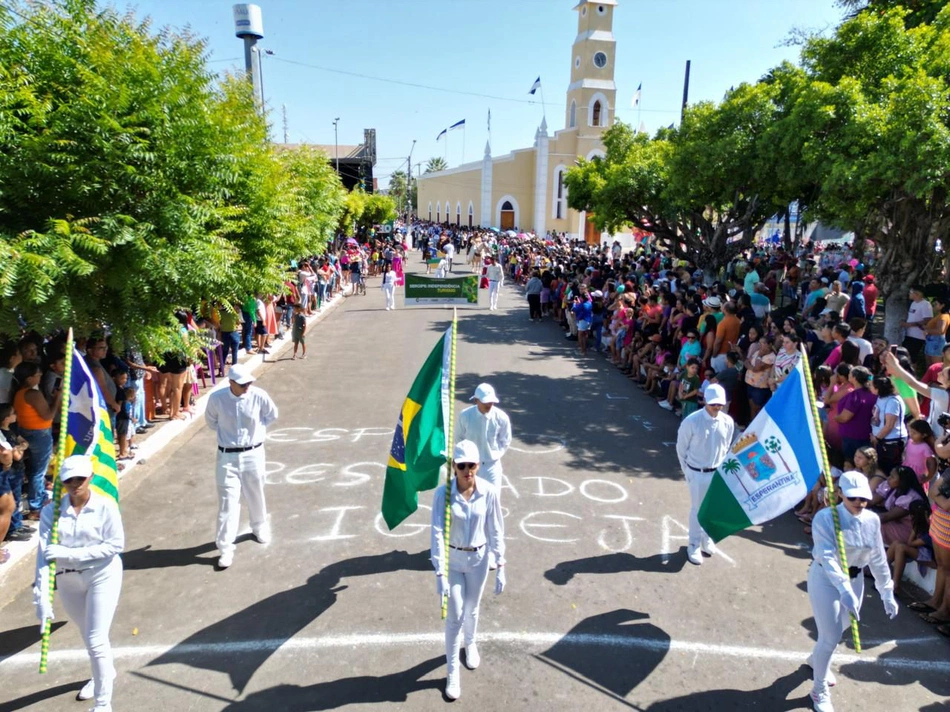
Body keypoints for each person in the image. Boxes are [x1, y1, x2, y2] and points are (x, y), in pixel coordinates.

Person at [34, 455, 125, 711]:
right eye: (68, 480)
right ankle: (102, 675)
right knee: (89, 637)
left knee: (96, 639)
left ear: (90, 478)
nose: (75, 484)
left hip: (102, 575)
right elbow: (43, 555)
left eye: (80, 478)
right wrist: (40, 596)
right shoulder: (50, 512)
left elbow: (116, 545)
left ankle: (103, 703)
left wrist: (70, 554)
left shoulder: (106, 506)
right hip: (68, 580)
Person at [806, 470, 898, 712]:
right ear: (840, 495)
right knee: (831, 635)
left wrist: (886, 591)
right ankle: (818, 690)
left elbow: (877, 557)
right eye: (853, 498)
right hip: (826, 579)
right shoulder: (825, 518)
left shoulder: (872, 520)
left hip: (855, 579)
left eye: (863, 499)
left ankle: (816, 659)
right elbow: (827, 556)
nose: (859, 503)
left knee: (843, 626)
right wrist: (843, 588)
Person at [430, 440, 506, 701]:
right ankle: (452, 672)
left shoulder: (488, 491)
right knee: (455, 615)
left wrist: (501, 562)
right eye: (461, 465)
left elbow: (496, 528)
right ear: (453, 467)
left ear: (478, 465)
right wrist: (439, 571)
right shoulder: (443, 494)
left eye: (472, 465)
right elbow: (437, 532)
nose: (467, 470)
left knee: (472, 608)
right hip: (453, 561)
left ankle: (470, 643)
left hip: (479, 559)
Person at [204, 364, 279, 568]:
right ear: (231, 383)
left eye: (249, 382)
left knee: (255, 493)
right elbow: (211, 422)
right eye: (242, 383)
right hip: (227, 457)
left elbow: (272, 415)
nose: (247, 386)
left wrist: (255, 434)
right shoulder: (217, 399)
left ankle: (259, 526)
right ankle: (226, 548)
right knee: (228, 501)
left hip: (253, 453)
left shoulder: (259, 395)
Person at [675, 384, 735, 565]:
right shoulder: (692, 421)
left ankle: (706, 538)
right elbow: (681, 448)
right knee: (698, 510)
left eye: (720, 405)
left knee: (712, 508)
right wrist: (688, 472)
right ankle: (693, 544)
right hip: (696, 473)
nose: (717, 408)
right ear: (706, 401)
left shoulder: (728, 421)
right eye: (713, 404)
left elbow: (727, 446)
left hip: (716, 473)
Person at [456, 383, 512, 503]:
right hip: (470, 467)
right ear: (476, 400)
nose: (489, 404)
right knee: (468, 499)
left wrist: (494, 455)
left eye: (491, 401)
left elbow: (505, 440)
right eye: (485, 401)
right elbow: (459, 438)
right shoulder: (465, 416)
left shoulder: (501, 417)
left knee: (493, 501)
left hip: (491, 467)